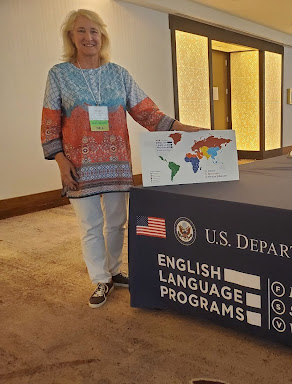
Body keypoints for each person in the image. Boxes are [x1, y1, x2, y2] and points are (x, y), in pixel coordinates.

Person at [41, 9, 203, 308]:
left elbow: (147, 112)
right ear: (71, 37)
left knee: (117, 222)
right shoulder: (59, 75)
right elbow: (50, 121)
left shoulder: (118, 74)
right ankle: (100, 278)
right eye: (81, 31)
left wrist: (185, 129)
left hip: (116, 162)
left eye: (94, 31)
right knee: (90, 225)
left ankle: (114, 272)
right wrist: (61, 161)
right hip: (79, 164)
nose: (89, 37)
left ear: (102, 36)